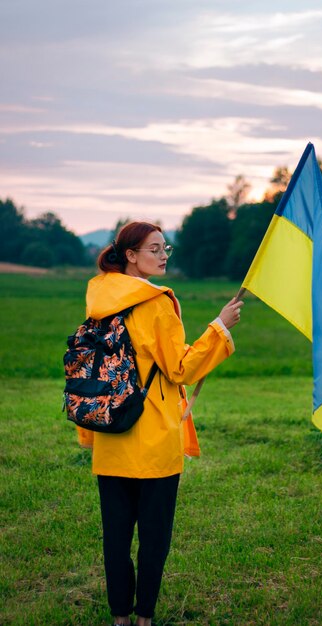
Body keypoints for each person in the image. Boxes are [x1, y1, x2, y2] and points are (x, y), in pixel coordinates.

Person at [76, 221, 243, 626]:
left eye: (165, 247)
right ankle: (144, 617)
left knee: (115, 538)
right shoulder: (155, 304)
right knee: (153, 539)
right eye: (154, 248)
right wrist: (219, 327)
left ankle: (119, 617)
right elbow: (181, 368)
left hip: (112, 433)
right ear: (131, 255)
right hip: (153, 440)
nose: (164, 255)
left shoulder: (101, 297)